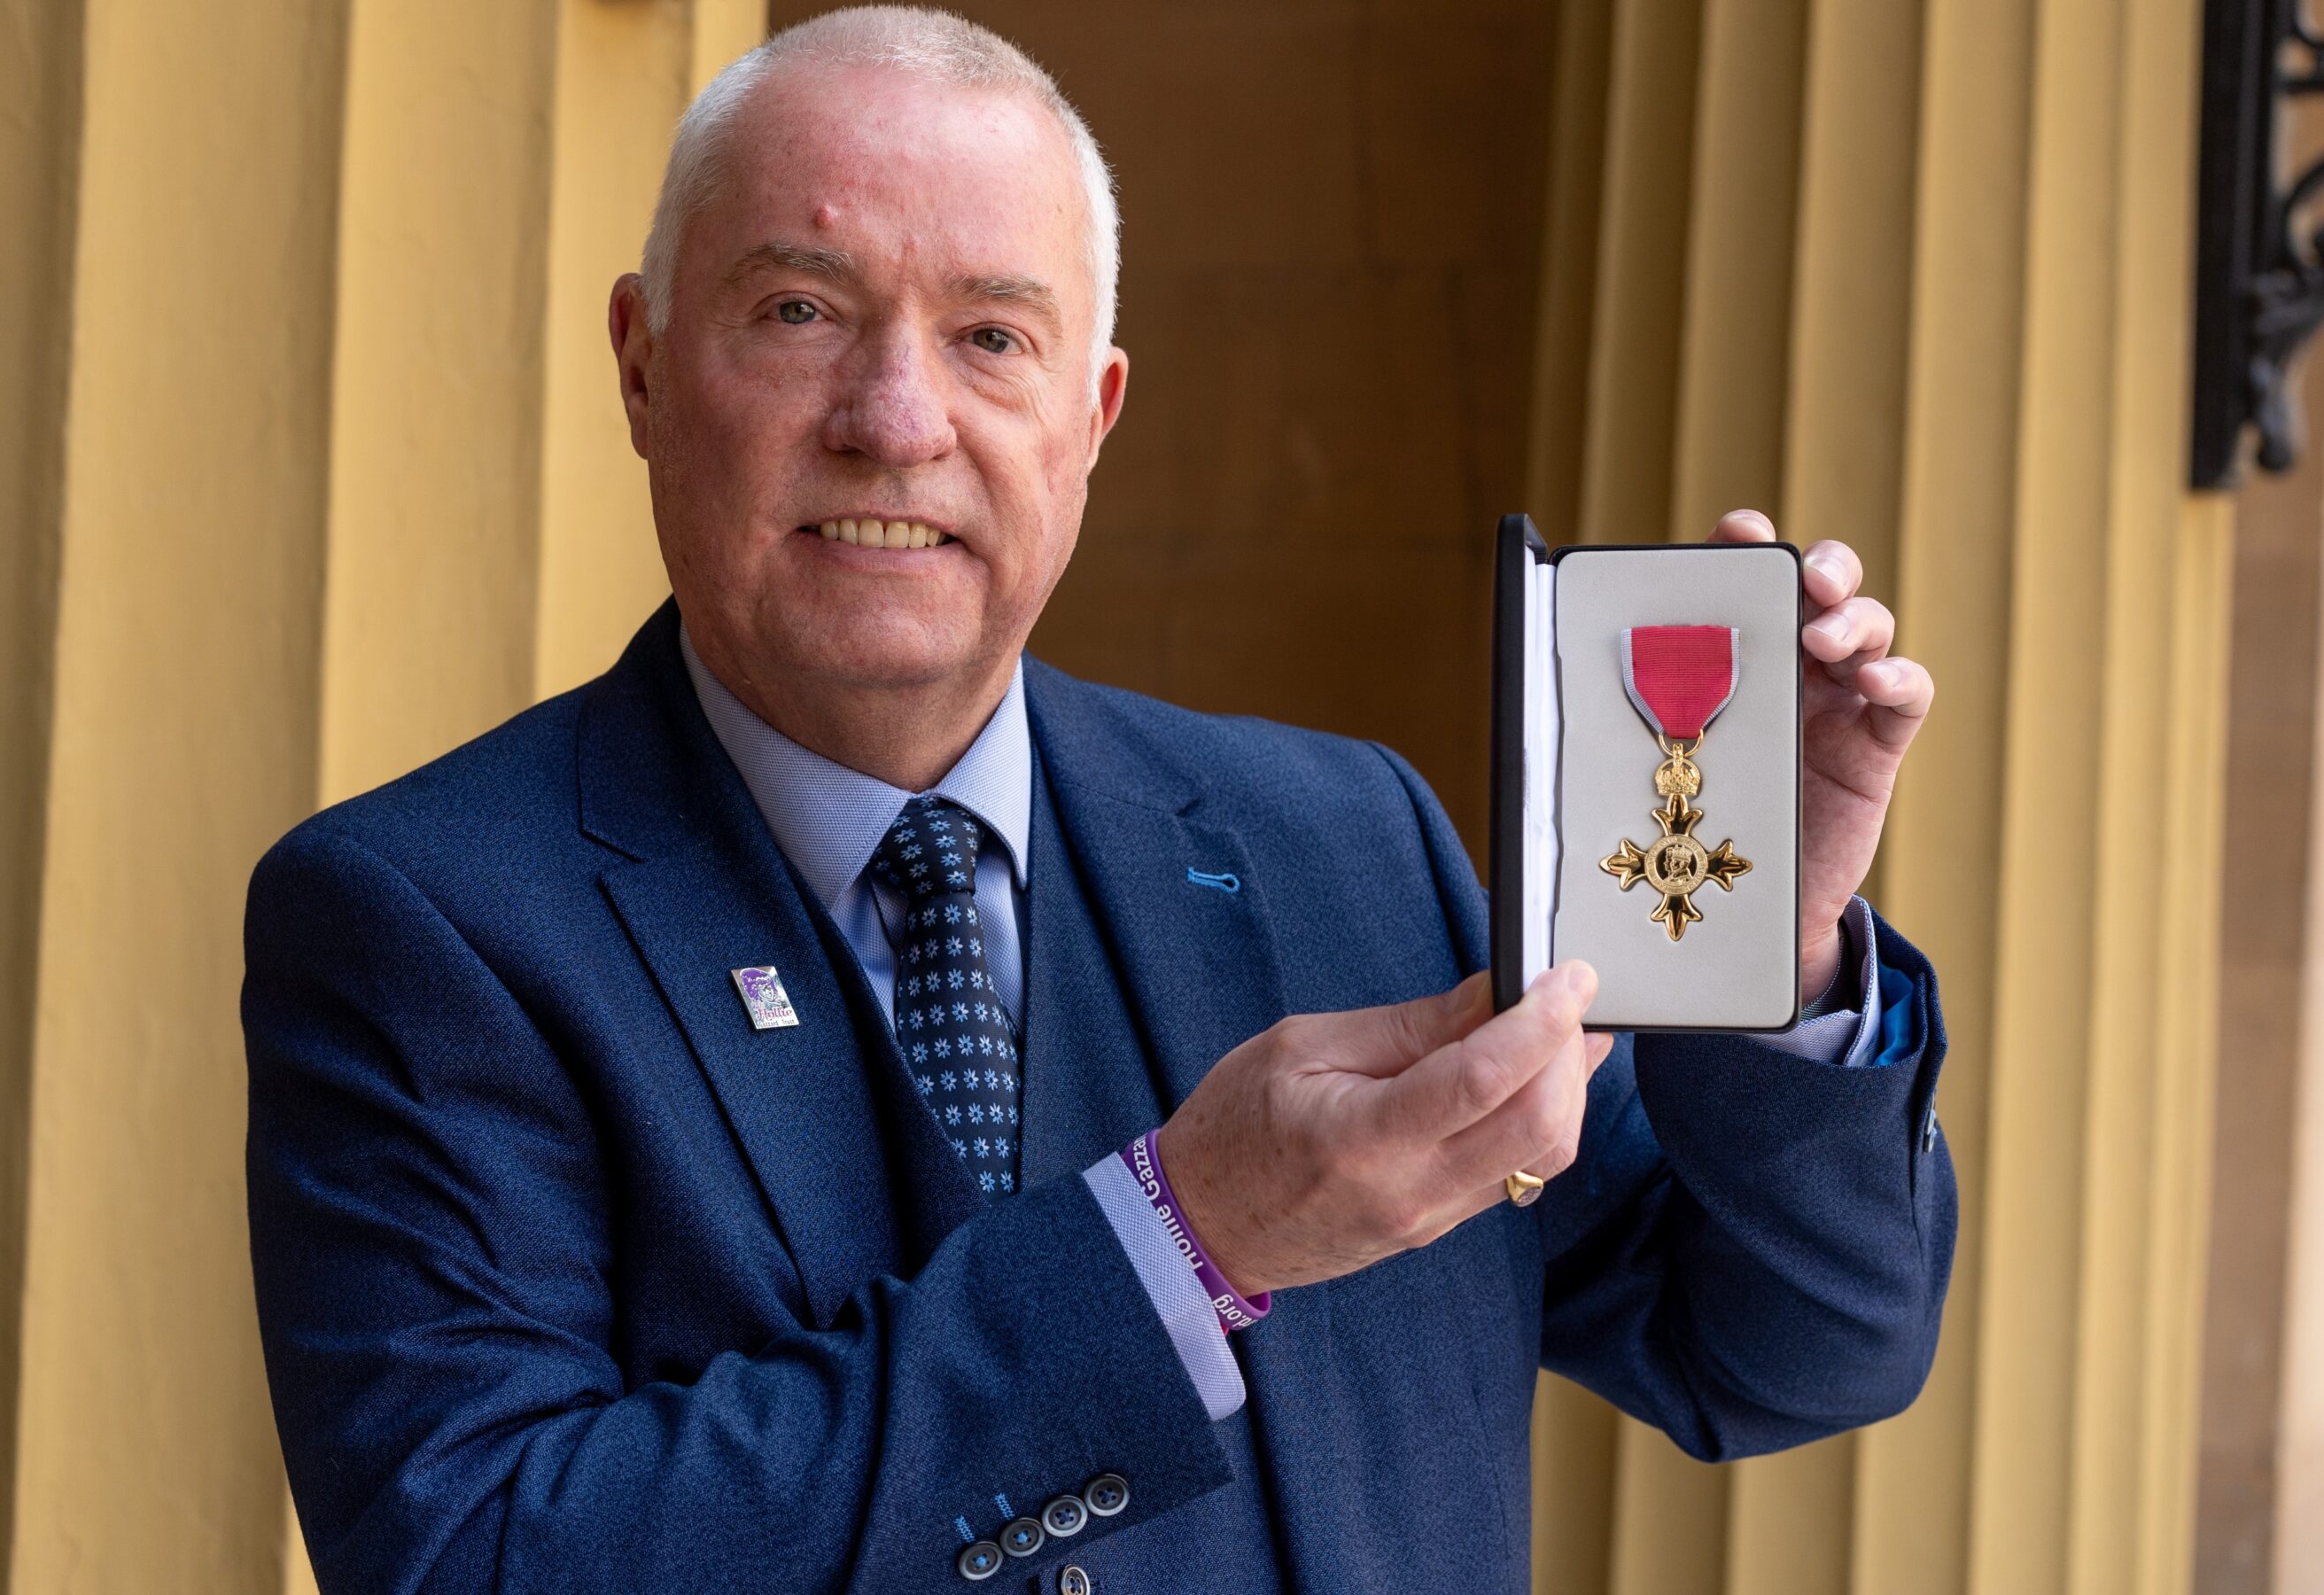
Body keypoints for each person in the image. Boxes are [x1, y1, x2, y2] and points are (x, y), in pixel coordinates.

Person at [242, 9, 1952, 1591]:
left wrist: (1776, 949)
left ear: (1093, 418)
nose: (897, 418)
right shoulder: (423, 922)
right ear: (642, 364)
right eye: (801, 312)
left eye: (992, 337)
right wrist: (1176, 1240)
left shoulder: (1349, 844)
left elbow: (1791, 1350)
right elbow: (474, 1559)